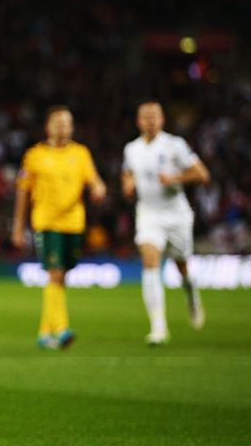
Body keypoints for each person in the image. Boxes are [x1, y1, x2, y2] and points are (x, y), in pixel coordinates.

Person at [11, 105, 107, 350]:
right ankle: (62, 328)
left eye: (67, 123)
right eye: (58, 123)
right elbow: (23, 192)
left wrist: (98, 187)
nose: (63, 128)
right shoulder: (35, 155)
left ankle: (45, 332)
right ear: (48, 127)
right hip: (46, 222)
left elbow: (94, 179)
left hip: (74, 223)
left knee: (61, 275)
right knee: (55, 272)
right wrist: (18, 227)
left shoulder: (81, 153)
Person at [122, 100, 210, 345]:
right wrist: (128, 185)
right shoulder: (131, 149)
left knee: (182, 265)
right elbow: (127, 173)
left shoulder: (175, 145)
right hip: (148, 214)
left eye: (155, 116)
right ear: (139, 121)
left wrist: (174, 178)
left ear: (162, 120)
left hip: (176, 215)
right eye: (146, 117)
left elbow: (202, 174)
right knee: (150, 263)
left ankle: (191, 294)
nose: (150, 121)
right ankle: (158, 328)